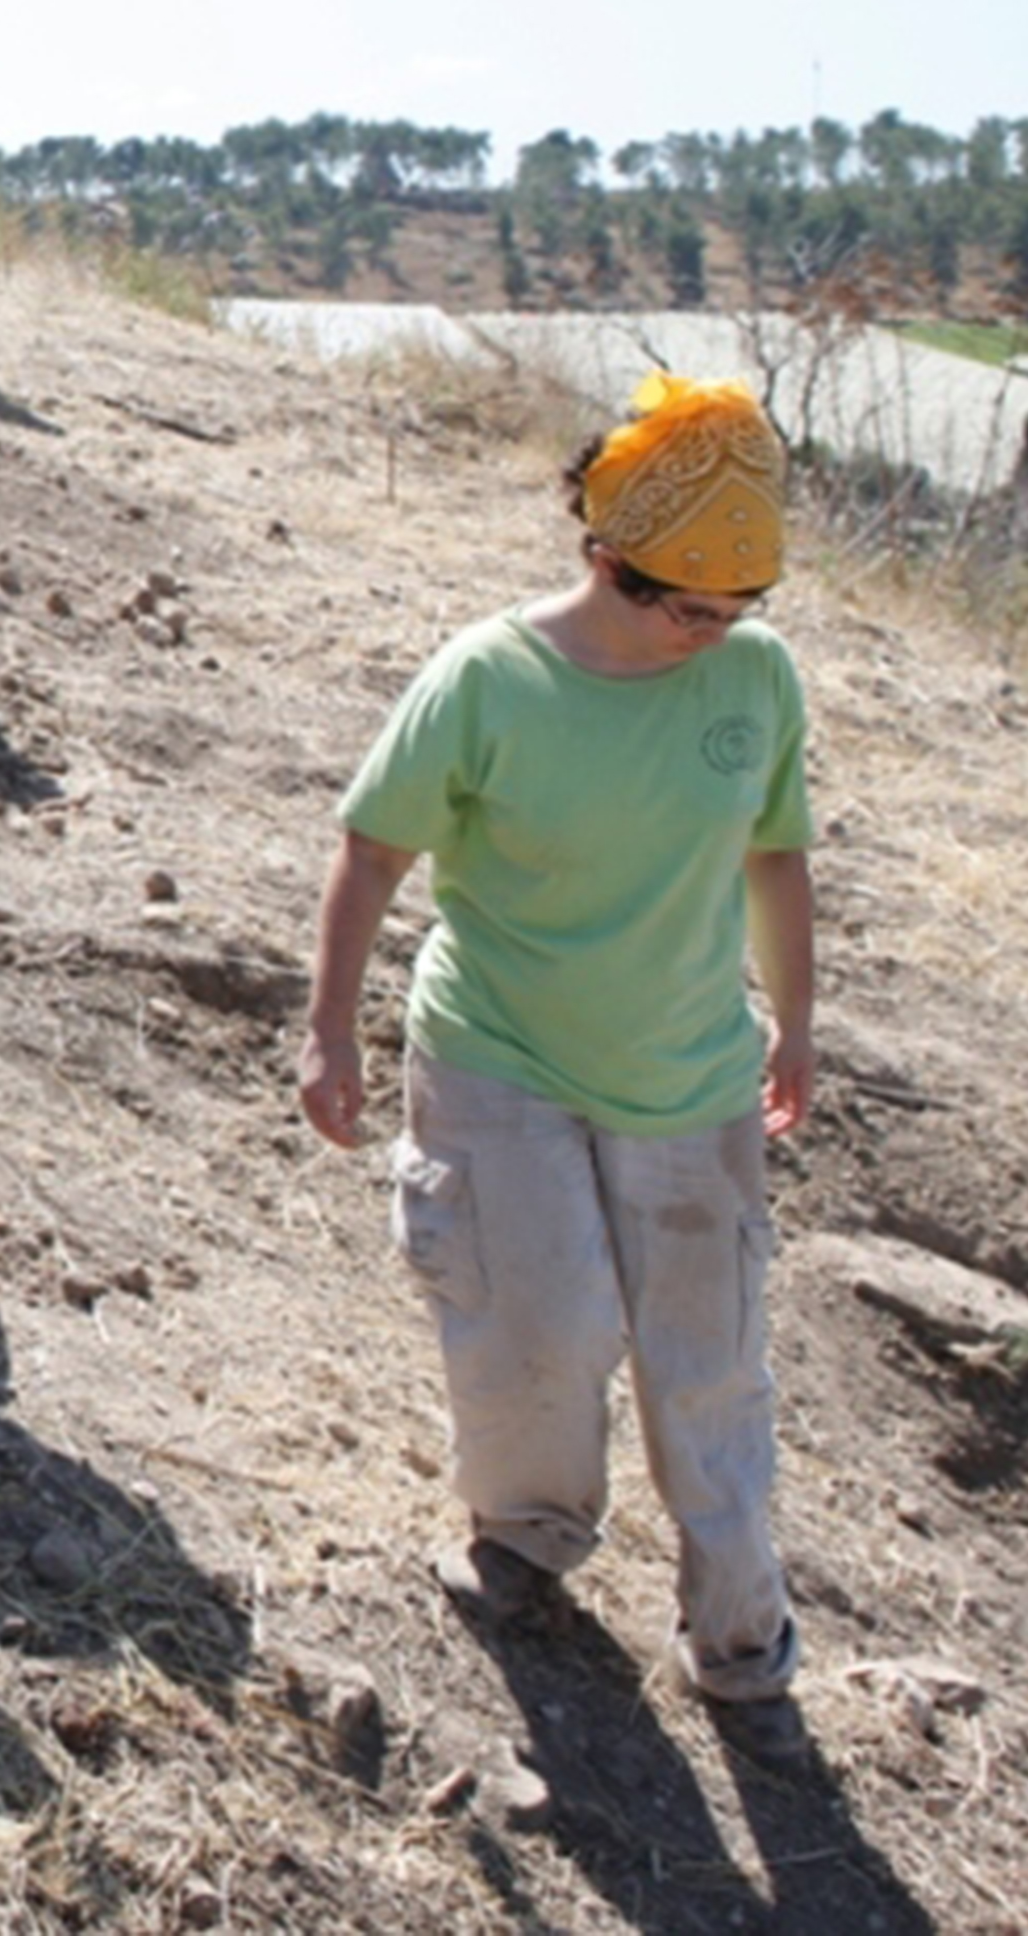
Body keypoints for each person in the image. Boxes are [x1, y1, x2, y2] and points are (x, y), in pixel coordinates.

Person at [300, 375, 819, 1761]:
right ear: (605, 560)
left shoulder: (753, 678)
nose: (711, 635)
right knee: (536, 1326)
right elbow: (371, 847)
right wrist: (329, 1025)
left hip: (690, 1076)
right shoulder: (487, 677)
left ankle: (741, 1643)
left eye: (735, 611)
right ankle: (525, 1539)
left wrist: (800, 1015)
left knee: (707, 1369)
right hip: (499, 1060)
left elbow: (775, 852)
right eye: (685, 609)